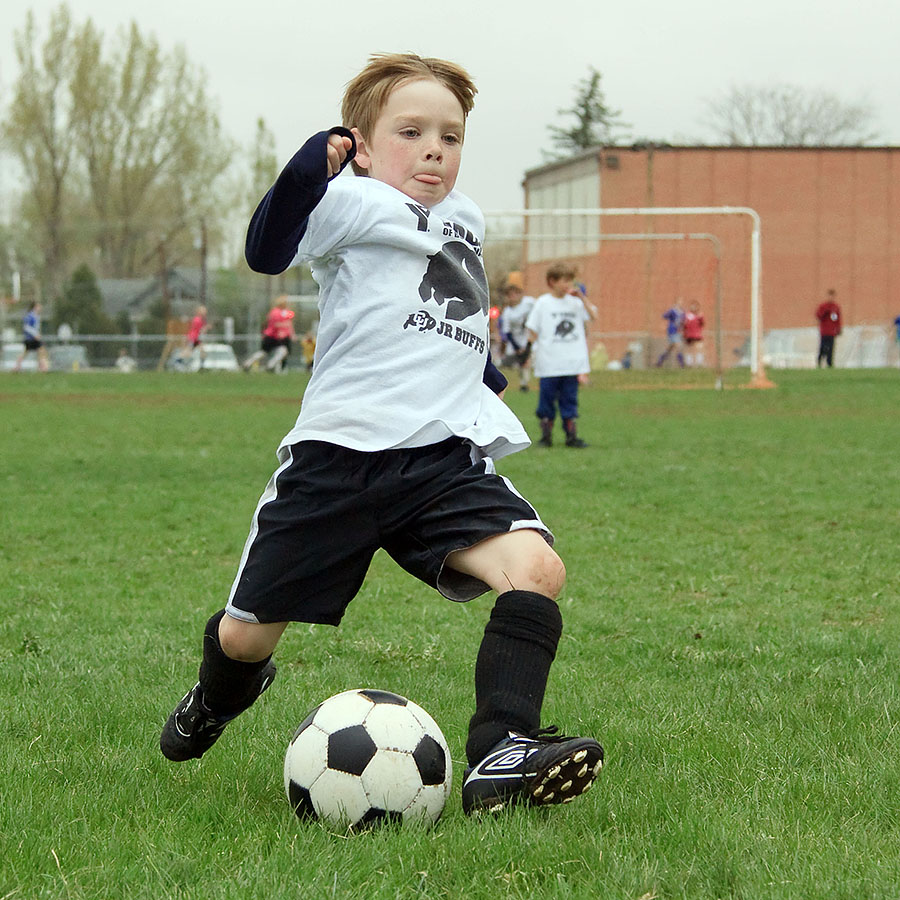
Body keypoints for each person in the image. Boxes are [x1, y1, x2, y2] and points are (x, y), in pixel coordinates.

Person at [160, 52, 603, 816]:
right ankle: (218, 696)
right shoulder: (350, 203)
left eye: (451, 135)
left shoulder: (466, 217)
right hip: (338, 462)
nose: (435, 148)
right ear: (360, 145)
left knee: (536, 567)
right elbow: (266, 249)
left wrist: (485, 378)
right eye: (412, 131)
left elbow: (452, 316)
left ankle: (502, 750)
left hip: (440, 460)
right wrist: (311, 167)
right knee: (244, 639)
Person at [525, 262, 597, 448]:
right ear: (552, 281)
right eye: (564, 280)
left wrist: (582, 297)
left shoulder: (575, 303)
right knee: (546, 400)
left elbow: (593, 316)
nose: (567, 284)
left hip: (572, 363)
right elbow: (531, 330)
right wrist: (532, 350)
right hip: (549, 363)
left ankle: (571, 435)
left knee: (569, 400)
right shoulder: (543, 303)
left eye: (570, 280)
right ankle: (546, 435)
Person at [498, 271, 535, 392]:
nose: (513, 296)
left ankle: (525, 383)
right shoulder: (508, 312)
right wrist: (517, 347)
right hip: (516, 341)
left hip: (530, 338)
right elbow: (507, 332)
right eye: (510, 294)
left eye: (515, 293)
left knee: (528, 361)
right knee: (516, 363)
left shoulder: (529, 303)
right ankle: (519, 383)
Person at [243, 297, 296, 372]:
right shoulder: (275, 312)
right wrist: (284, 326)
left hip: (277, 337)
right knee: (264, 352)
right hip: (271, 336)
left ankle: (270, 365)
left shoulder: (283, 312)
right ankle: (249, 363)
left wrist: (290, 332)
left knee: (283, 351)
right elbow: (275, 324)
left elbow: (289, 321)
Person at [14, 302, 50, 372]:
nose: (40, 308)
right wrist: (35, 335)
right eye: (39, 306)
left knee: (40, 352)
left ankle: (17, 367)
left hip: (32, 338)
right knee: (41, 351)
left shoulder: (36, 316)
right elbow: (27, 327)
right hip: (31, 338)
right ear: (35, 307)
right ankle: (43, 368)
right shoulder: (30, 316)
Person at [815, 289, 842, 368]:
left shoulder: (836, 307)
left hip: (832, 332)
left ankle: (829, 363)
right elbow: (818, 316)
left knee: (831, 348)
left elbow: (838, 319)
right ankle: (819, 361)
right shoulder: (823, 306)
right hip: (824, 331)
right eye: (830, 296)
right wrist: (825, 311)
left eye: (832, 296)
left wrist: (838, 328)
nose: (831, 298)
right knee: (823, 347)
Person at [655, 301, 685, 367]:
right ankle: (682, 364)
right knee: (678, 346)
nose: (680, 304)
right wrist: (670, 310)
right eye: (678, 302)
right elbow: (664, 316)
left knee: (669, 348)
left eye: (681, 302)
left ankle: (660, 361)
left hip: (678, 332)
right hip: (672, 331)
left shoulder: (682, 313)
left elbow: (683, 322)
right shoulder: (672, 311)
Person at [184, 305, 209, 369]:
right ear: (198, 311)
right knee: (187, 352)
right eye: (203, 310)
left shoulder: (201, 319)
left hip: (197, 339)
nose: (205, 312)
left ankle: (201, 367)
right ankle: (181, 364)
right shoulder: (197, 320)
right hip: (193, 338)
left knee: (202, 352)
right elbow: (198, 330)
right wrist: (205, 328)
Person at [682, 301, 705, 367]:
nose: (693, 307)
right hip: (689, 335)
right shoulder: (687, 315)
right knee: (689, 349)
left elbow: (702, 324)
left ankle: (699, 363)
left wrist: (700, 318)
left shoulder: (699, 315)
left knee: (699, 348)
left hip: (697, 334)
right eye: (692, 306)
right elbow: (684, 324)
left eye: (695, 306)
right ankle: (689, 363)